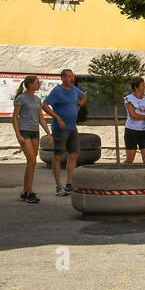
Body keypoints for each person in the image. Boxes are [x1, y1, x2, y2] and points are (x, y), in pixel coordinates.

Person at [43, 68, 87, 196]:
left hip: (72, 127)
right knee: (57, 156)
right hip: (60, 129)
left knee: (74, 154)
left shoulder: (74, 90)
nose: (71, 78)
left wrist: (79, 106)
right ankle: (58, 186)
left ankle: (69, 184)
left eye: (72, 76)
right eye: (68, 76)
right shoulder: (57, 91)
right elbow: (44, 105)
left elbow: (84, 96)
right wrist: (57, 117)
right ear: (62, 78)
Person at [12, 76, 50, 204]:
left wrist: (48, 132)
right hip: (24, 131)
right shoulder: (21, 98)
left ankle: (25, 191)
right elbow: (14, 118)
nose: (39, 85)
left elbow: (41, 118)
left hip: (35, 132)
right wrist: (18, 135)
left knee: (32, 163)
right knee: (32, 160)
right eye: (37, 83)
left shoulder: (38, 99)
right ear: (30, 84)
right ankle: (29, 193)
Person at [123, 77, 145, 164]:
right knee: (130, 159)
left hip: (144, 131)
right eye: (142, 85)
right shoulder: (128, 98)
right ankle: (121, 173)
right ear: (136, 87)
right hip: (131, 131)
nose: (144, 87)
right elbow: (133, 115)